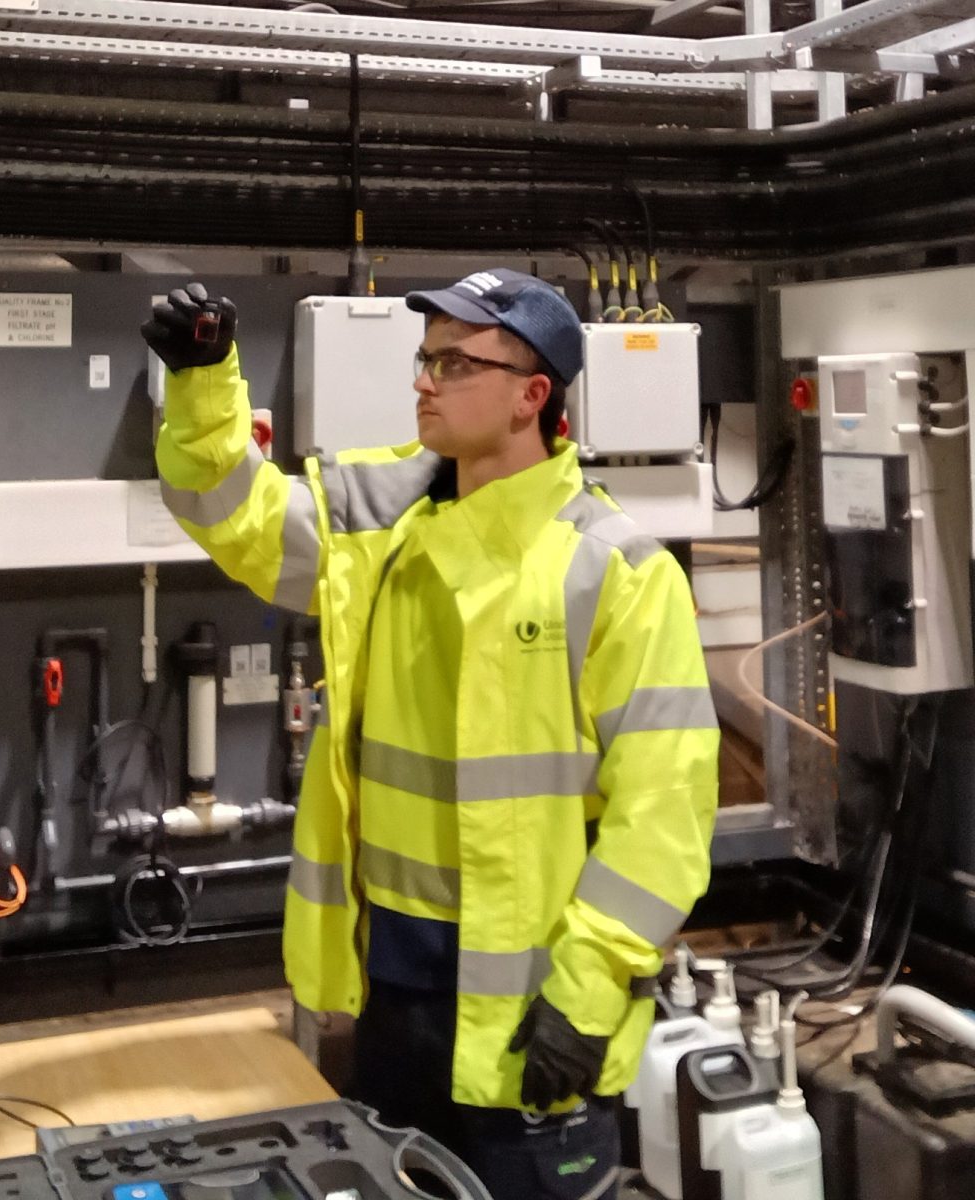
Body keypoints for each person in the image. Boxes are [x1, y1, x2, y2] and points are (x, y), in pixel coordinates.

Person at [143, 268, 718, 1200]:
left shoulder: (616, 573)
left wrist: (586, 992)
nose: (424, 380)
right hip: (393, 997)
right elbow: (232, 515)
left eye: (456, 362)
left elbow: (664, 812)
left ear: (532, 396)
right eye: (425, 358)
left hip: (538, 1011)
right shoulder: (379, 525)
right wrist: (204, 380)